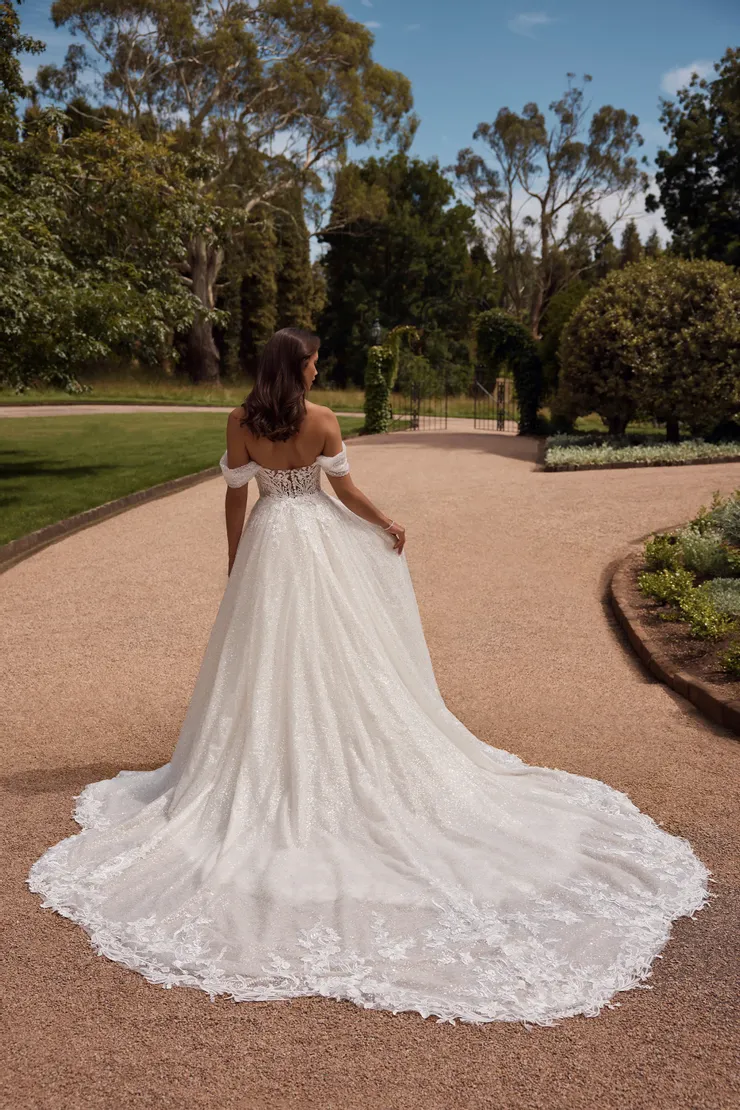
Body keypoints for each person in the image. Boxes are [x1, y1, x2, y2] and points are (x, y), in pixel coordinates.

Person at [27, 327, 713, 1027]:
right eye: (313, 361)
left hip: (269, 540)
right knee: (338, 646)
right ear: (296, 366)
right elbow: (345, 490)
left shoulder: (241, 421)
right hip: (316, 539)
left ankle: (274, 750)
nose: (318, 368)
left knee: (267, 652)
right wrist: (389, 522)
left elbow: (236, 499)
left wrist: (236, 561)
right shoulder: (322, 419)